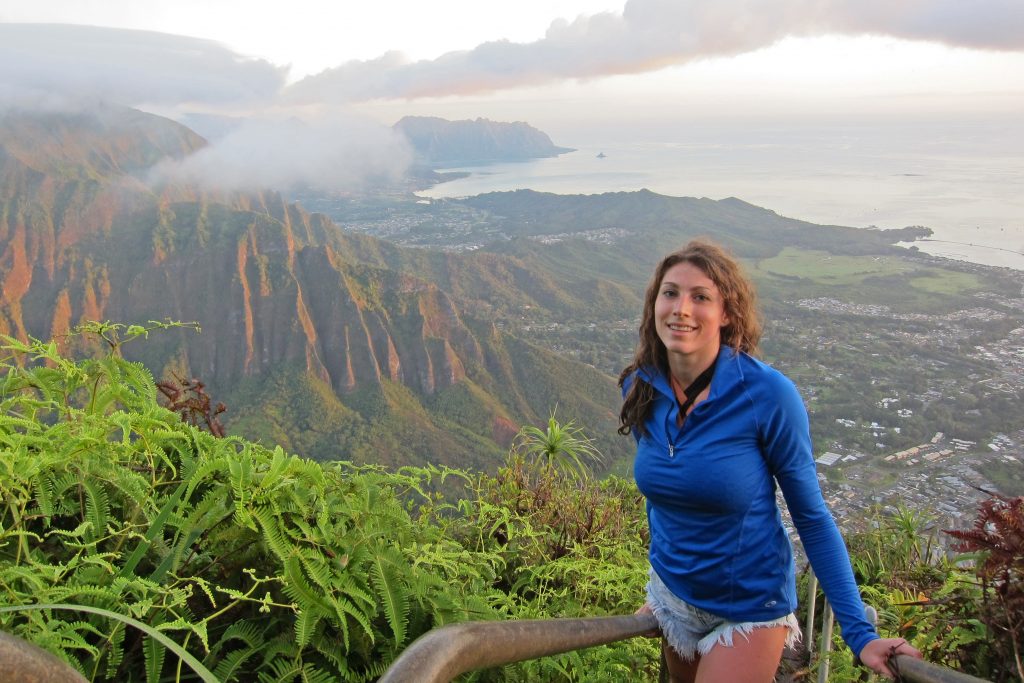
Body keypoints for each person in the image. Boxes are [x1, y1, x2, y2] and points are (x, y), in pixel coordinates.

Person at [618, 239, 922, 681]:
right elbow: (663, 495)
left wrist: (860, 633)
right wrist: (663, 589)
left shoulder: (768, 396)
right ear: (654, 305)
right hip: (673, 600)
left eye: (700, 296)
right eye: (670, 293)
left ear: (726, 313)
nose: (681, 308)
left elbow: (812, 519)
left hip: (749, 606)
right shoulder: (640, 390)